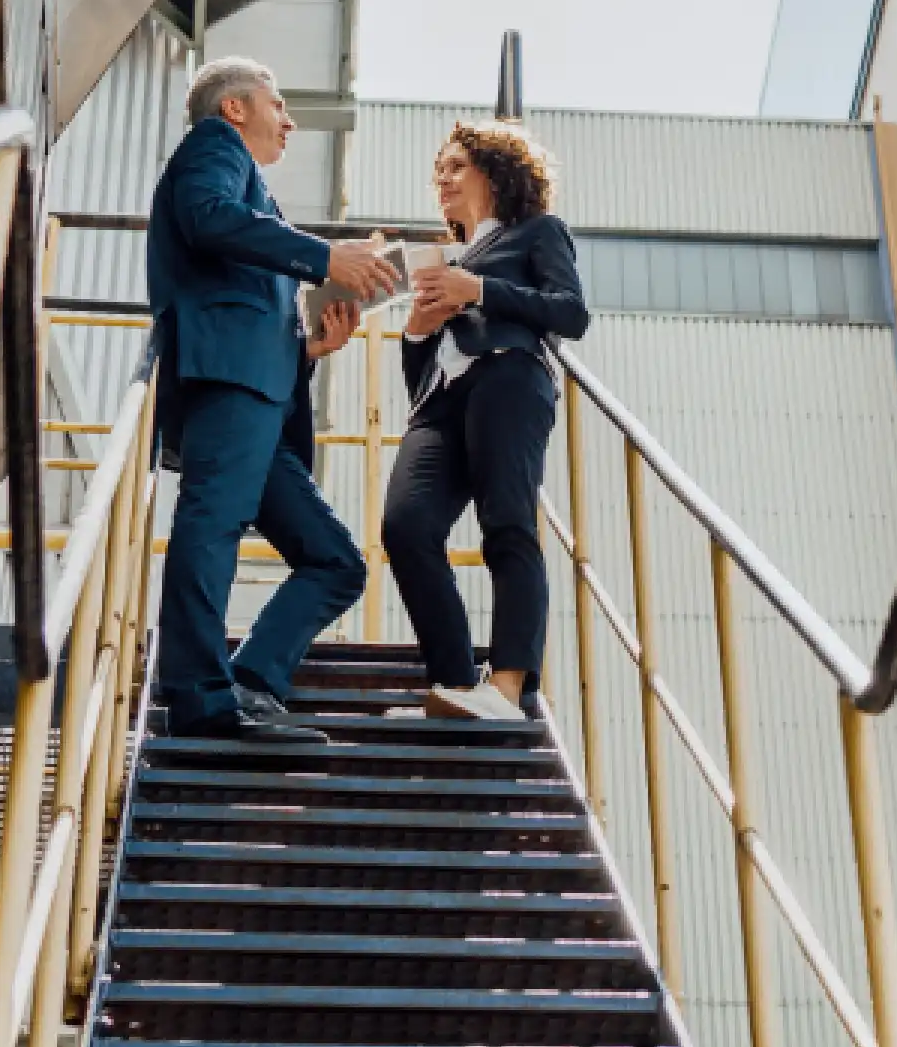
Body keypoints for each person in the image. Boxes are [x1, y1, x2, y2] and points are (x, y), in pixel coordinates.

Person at [147, 57, 397, 739]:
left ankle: (251, 682)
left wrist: (307, 347)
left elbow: (247, 285)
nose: (287, 120)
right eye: (278, 103)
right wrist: (324, 258)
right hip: (229, 383)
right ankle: (198, 696)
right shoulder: (213, 149)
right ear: (235, 110)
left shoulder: (251, 182)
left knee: (336, 561)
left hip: (264, 389)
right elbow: (206, 218)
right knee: (213, 524)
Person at [381, 121, 590, 720]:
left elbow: (571, 314)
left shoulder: (537, 232)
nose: (441, 180)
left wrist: (478, 289)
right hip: (442, 400)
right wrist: (417, 331)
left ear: (495, 172)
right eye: (437, 171)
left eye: (454, 166)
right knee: (406, 526)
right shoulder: (447, 257)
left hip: (507, 378)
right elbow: (420, 373)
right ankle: (456, 683)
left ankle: (506, 688)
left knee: (507, 525)